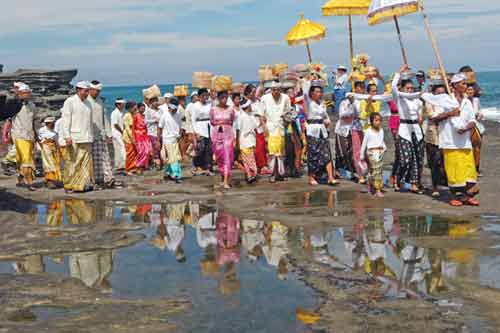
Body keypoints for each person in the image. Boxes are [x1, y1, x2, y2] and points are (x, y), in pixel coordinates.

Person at [432, 74, 479, 206]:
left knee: (468, 169)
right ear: (454, 86)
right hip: (450, 142)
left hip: (465, 141)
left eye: (466, 83)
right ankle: (454, 196)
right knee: (454, 169)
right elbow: (434, 118)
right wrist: (450, 113)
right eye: (463, 84)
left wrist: (466, 128)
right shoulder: (445, 100)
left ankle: (467, 195)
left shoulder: (467, 101)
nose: (466, 86)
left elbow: (472, 120)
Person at [392, 65, 424, 194]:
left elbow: (420, 113)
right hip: (404, 129)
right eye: (407, 88)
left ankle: (414, 184)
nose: (410, 90)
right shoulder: (399, 98)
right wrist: (399, 72)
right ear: (403, 88)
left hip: (416, 128)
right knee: (406, 159)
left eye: (411, 88)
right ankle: (398, 178)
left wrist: (421, 117)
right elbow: (393, 86)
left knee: (418, 157)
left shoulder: (417, 100)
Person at [60, 81, 94, 193]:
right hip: (74, 137)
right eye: (85, 91)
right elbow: (65, 120)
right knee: (72, 162)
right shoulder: (70, 101)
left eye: (88, 91)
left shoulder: (89, 103)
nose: (87, 93)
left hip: (87, 137)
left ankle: (81, 185)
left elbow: (89, 122)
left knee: (85, 162)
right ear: (78, 90)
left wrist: (92, 136)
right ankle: (69, 185)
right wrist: (67, 136)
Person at [304, 82, 337, 186]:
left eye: (320, 91)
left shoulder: (322, 103)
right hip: (312, 130)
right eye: (317, 91)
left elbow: (325, 116)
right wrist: (310, 80)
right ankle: (311, 177)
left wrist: (327, 121)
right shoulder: (309, 102)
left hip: (322, 130)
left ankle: (331, 177)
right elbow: (305, 92)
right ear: (312, 93)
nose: (319, 93)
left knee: (327, 153)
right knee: (313, 154)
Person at [88, 81, 117, 189]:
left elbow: (105, 119)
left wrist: (109, 134)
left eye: (99, 91)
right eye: (96, 91)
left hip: (101, 134)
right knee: (93, 159)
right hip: (89, 135)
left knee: (105, 157)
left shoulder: (100, 101)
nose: (97, 93)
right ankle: (95, 179)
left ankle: (108, 178)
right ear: (90, 89)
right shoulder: (86, 101)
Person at [262, 81, 290, 183]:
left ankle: (280, 173)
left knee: (281, 152)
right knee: (272, 152)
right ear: (271, 90)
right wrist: (264, 127)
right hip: (270, 128)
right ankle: (272, 173)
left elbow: (288, 112)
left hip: (281, 128)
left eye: (278, 90)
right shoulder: (265, 98)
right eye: (274, 90)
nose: (276, 92)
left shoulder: (285, 98)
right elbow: (261, 114)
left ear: (281, 90)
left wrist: (286, 123)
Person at [10, 84, 37, 191]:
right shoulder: (15, 105)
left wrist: (36, 134)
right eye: (25, 93)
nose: (27, 95)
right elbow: (8, 120)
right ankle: (30, 182)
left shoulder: (32, 106)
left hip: (29, 135)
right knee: (27, 159)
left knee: (22, 159)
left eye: (28, 92)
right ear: (20, 94)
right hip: (19, 135)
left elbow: (33, 121)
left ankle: (20, 177)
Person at [424, 83, 447, 198]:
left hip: (445, 134)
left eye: (443, 93)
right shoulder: (430, 102)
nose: (441, 95)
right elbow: (432, 116)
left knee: (445, 161)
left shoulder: (447, 103)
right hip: (433, 135)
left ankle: (445, 182)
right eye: (439, 93)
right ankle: (435, 186)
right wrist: (447, 114)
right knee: (434, 161)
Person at [210, 90, 236, 189]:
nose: (224, 100)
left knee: (227, 157)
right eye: (222, 97)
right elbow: (212, 121)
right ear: (218, 98)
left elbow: (232, 120)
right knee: (220, 157)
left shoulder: (231, 109)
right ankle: (223, 177)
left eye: (226, 97)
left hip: (228, 134)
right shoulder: (213, 109)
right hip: (217, 134)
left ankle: (226, 181)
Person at [244, 84, 270, 175]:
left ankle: (263, 165)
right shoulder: (246, 102)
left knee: (261, 146)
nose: (254, 94)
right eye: (252, 92)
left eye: (255, 92)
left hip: (260, 126)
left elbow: (263, 112)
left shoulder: (259, 101)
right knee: (255, 147)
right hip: (251, 126)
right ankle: (259, 166)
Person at [360, 113, 386, 197]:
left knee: (377, 170)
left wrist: (384, 147)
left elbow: (381, 140)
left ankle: (371, 186)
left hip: (380, 152)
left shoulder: (381, 130)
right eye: (376, 120)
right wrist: (361, 155)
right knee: (376, 171)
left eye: (379, 120)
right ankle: (378, 190)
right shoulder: (368, 131)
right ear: (371, 121)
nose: (378, 122)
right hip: (371, 152)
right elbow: (364, 143)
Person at [158, 99, 183, 183]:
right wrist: (159, 140)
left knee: (174, 158)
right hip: (167, 139)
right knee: (172, 158)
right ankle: (175, 175)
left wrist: (179, 136)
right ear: (169, 107)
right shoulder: (165, 115)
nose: (174, 110)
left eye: (176, 108)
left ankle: (169, 173)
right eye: (173, 108)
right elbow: (160, 127)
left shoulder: (178, 115)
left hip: (175, 139)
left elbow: (180, 127)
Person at [191, 88, 213, 175]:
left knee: (209, 148)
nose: (205, 97)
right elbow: (193, 120)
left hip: (209, 126)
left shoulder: (210, 104)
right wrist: (196, 132)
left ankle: (208, 168)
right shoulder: (195, 105)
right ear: (199, 96)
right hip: (200, 127)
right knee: (200, 148)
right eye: (203, 96)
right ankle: (196, 166)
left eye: (206, 95)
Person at [238, 98, 259, 183]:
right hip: (245, 141)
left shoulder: (250, 115)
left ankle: (249, 175)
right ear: (247, 106)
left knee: (248, 160)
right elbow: (238, 130)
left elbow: (256, 125)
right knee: (249, 160)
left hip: (251, 140)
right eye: (250, 105)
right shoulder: (241, 116)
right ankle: (251, 175)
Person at [351, 81, 368, 184]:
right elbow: (355, 111)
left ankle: (368, 172)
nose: (361, 89)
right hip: (356, 127)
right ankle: (360, 174)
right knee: (357, 152)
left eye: (363, 87)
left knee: (367, 151)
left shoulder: (366, 98)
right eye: (359, 87)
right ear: (355, 88)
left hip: (366, 127)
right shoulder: (353, 99)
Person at [38, 117, 61, 189]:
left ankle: (49, 180)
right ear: (47, 124)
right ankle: (50, 181)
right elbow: (39, 139)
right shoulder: (42, 130)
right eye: (51, 123)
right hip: (45, 149)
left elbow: (57, 142)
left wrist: (59, 150)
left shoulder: (55, 132)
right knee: (48, 165)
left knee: (54, 165)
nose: (53, 125)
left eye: (53, 123)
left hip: (53, 150)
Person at [335, 95, 355, 177]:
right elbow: (341, 115)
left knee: (351, 151)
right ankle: (337, 169)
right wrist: (351, 112)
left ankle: (351, 170)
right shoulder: (343, 103)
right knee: (341, 151)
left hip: (351, 129)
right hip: (341, 130)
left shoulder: (356, 103)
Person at [466, 84, 484, 175]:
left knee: (477, 148)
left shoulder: (476, 100)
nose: (470, 92)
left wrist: (480, 115)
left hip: (476, 124)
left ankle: (476, 168)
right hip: (468, 125)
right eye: (468, 90)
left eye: (471, 90)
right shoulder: (464, 101)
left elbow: (480, 110)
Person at [144, 96, 162, 170]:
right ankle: (157, 164)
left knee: (159, 147)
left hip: (160, 132)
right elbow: (145, 121)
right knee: (155, 148)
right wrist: (154, 121)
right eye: (154, 101)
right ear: (151, 102)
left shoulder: (160, 110)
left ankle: (158, 163)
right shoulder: (148, 111)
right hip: (152, 132)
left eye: (157, 101)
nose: (156, 102)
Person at [133, 103, 151, 173]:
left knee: (147, 150)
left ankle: (144, 165)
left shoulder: (144, 116)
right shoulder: (136, 116)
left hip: (145, 135)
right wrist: (133, 137)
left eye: (144, 108)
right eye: (142, 108)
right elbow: (133, 128)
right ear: (138, 108)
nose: (143, 109)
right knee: (140, 151)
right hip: (138, 135)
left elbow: (146, 126)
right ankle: (138, 166)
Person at [180, 92, 198, 160]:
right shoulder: (190, 105)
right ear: (192, 98)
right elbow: (186, 116)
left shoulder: (194, 105)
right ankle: (186, 153)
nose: (197, 98)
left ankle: (189, 153)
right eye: (195, 97)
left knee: (191, 141)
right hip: (190, 126)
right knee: (190, 140)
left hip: (193, 126)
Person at [110, 98, 126, 173]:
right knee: (121, 148)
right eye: (122, 104)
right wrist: (122, 131)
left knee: (119, 149)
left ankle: (120, 165)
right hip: (116, 133)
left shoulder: (121, 112)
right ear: (118, 105)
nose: (124, 106)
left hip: (120, 133)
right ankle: (123, 164)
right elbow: (115, 124)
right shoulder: (114, 113)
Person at [123, 101, 138, 176]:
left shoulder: (133, 115)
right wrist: (132, 139)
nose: (135, 108)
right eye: (134, 107)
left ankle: (133, 167)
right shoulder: (127, 115)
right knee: (130, 153)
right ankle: (128, 169)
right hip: (128, 137)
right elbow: (128, 129)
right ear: (130, 108)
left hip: (134, 136)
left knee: (134, 153)